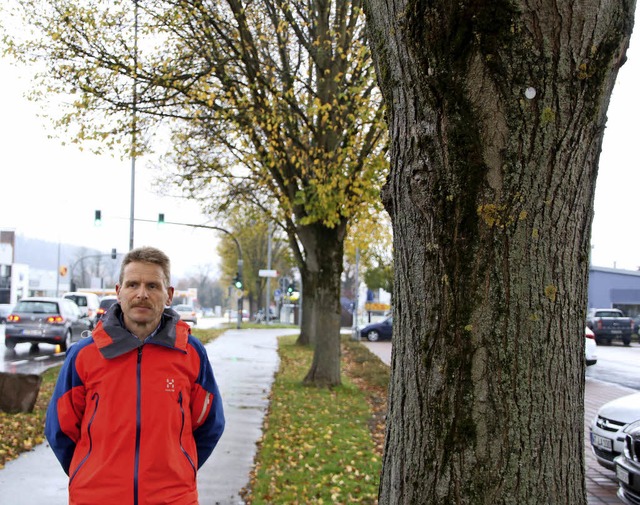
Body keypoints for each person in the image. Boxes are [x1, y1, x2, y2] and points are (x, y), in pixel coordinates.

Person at [45, 246, 225, 505]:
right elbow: (60, 429)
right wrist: (88, 470)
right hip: (95, 498)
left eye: (153, 286)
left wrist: (180, 468)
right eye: (132, 284)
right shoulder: (84, 355)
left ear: (169, 295)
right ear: (119, 292)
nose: (142, 294)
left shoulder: (190, 353)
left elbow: (210, 424)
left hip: (172, 498)